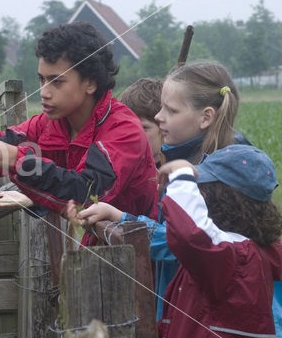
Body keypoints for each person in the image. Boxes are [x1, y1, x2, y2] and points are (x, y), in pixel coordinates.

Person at [0, 22, 158, 250]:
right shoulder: (50, 124)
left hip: (150, 265)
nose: (44, 92)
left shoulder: (123, 130)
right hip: (101, 253)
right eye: (41, 79)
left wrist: (15, 159)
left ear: (90, 82)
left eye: (56, 81)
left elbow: (86, 195)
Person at [73, 62, 244, 320]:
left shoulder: (212, 177)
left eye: (171, 110)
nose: (159, 116)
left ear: (206, 117)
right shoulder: (181, 167)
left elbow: (185, 242)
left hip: (206, 318)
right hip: (176, 309)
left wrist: (122, 220)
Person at [156, 145, 282, 338]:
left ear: (220, 198)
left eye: (202, 189)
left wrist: (182, 177)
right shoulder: (247, 251)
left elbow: (190, 234)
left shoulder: (233, 256)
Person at [117, 78, 164, 167]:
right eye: (125, 127)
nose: (131, 134)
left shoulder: (177, 174)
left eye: (143, 128)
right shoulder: (116, 171)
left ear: (164, 130)